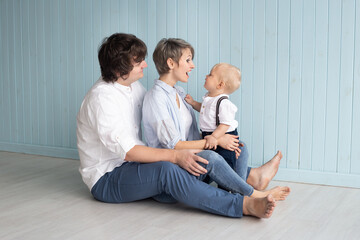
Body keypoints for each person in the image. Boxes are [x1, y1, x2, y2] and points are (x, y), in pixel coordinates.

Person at [77, 33, 277, 219]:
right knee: (167, 170)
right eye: (138, 62)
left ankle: (250, 177)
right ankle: (244, 204)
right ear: (119, 69)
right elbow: (129, 152)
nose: (145, 65)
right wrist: (176, 155)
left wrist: (213, 139)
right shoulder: (101, 98)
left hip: (134, 165)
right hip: (108, 178)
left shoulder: (134, 87)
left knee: (220, 153)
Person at [142, 38, 290, 200]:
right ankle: (253, 193)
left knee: (239, 146)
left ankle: (244, 185)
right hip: (178, 170)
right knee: (212, 157)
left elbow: (194, 131)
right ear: (171, 63)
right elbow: (175, 145)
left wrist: (223, 141)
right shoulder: (156, 98)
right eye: (188, 60)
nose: (193, 65)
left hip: (194, 161)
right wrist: (217, 141)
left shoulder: (179, 92)